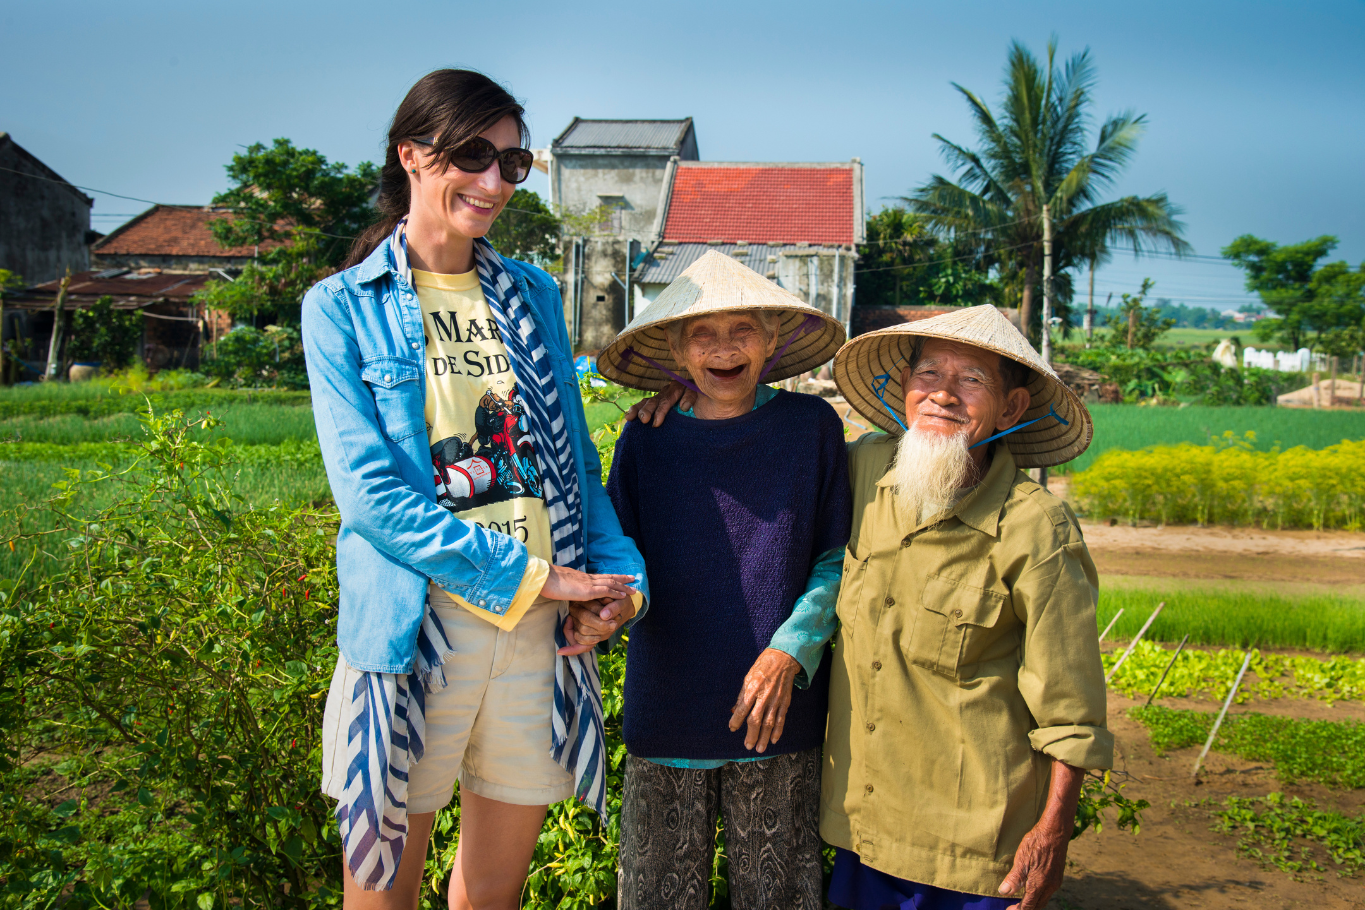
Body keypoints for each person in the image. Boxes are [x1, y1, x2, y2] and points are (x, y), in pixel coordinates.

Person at [629, 304, 1110, 910]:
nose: (943, 395)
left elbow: (1071, 712)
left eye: (972, 380)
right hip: (867, 826)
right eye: (928, 374)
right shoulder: (868, 468)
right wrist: (688, 397)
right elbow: (748, 451)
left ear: (1011, 409)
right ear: (904, 388)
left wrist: (1053, 831)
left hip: (973, 836)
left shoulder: (1037, 528)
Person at [302, 69, 648, 910]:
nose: (494, 182)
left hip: (538, 636)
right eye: (471, 156)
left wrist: (622, 581)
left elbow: (573, 465)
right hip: (416, 628)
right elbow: (372, 498)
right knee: (379, 896)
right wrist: (534, 576)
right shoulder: (341, 307)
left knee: (493, 893)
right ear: (411, 155)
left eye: (512, 162)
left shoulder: (531, 293)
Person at [594, 251, 851, 910]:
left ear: (772, 339)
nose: (723, 348)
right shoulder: (646, 438)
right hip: (668, 703)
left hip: (777, 708)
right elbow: (618, 557)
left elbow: (836, 558)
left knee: (779, 893)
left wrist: (790, 652)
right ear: (677, 352)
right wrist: (608, 607)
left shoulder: (811, 428)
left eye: (742, 331)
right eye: (701, 334)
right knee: (656, 895)